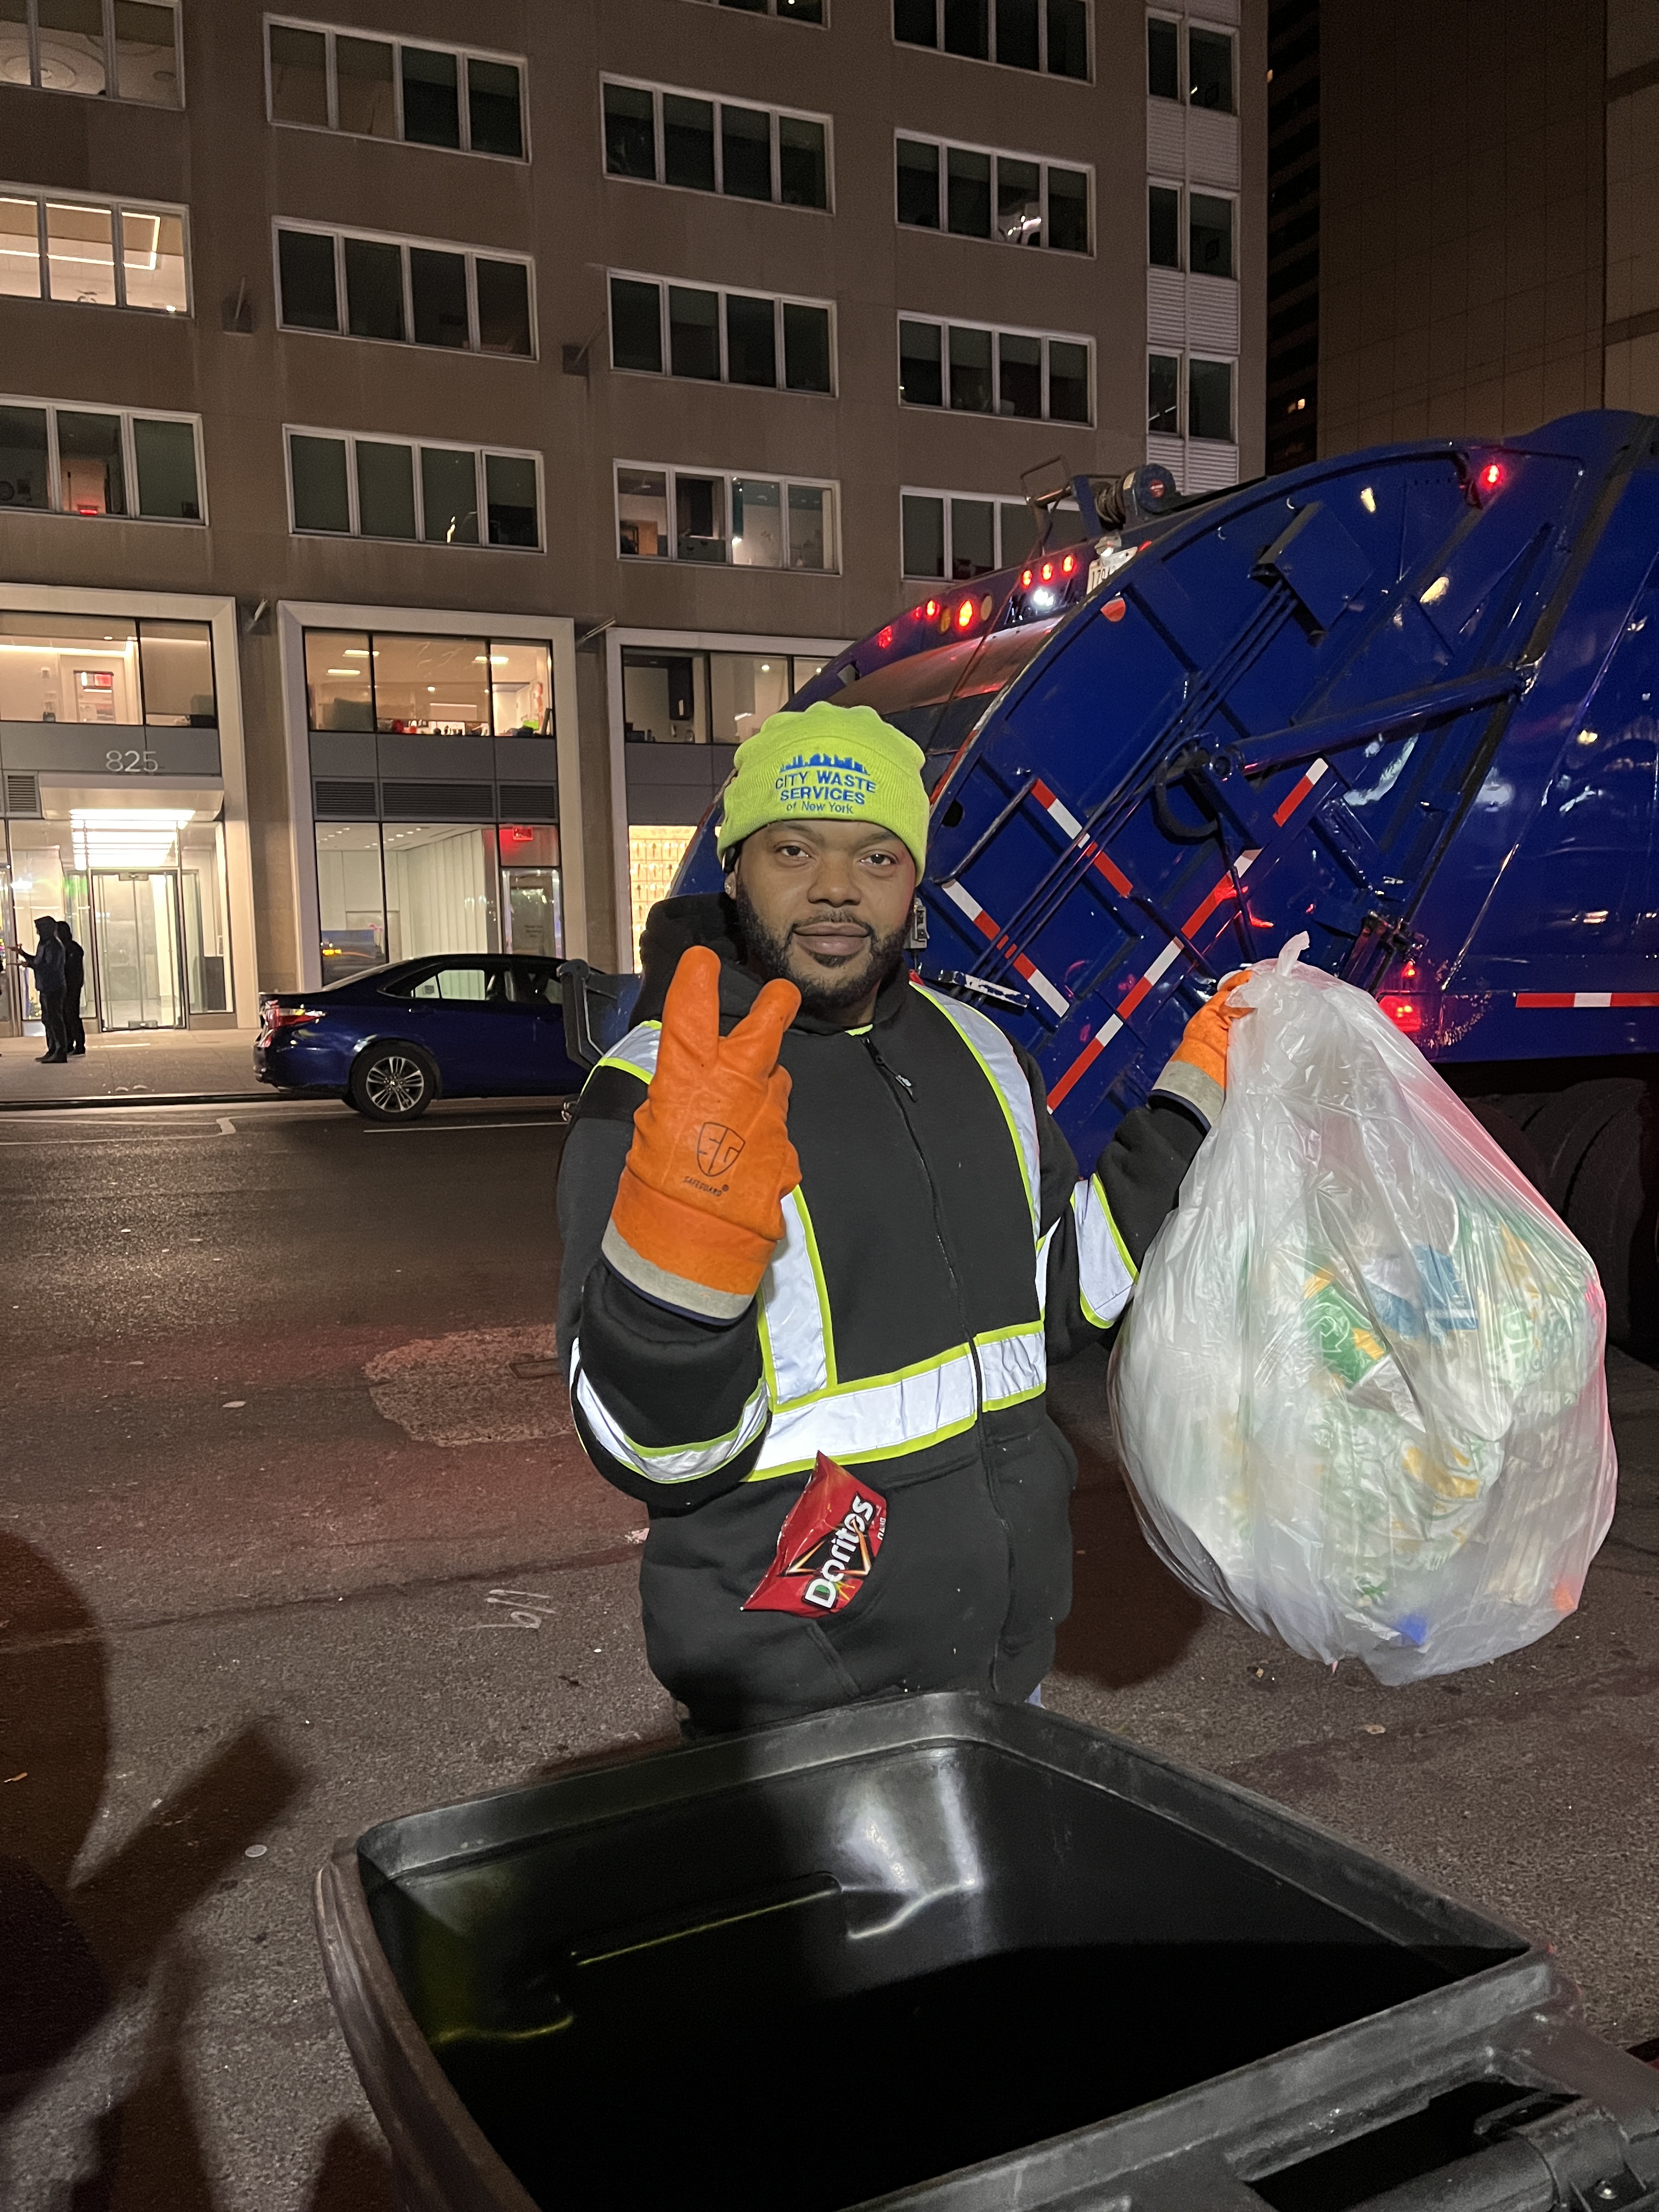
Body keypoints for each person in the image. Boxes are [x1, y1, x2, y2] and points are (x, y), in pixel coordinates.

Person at [556, 702, 1248, 1736]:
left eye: (876, 856)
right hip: (793, 1695)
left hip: (1004, 1661)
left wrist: (1190, 1103)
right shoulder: (657, 1091)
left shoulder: (981, 1052)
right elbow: (653, 1456)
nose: (836, 887)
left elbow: (1058, 1293)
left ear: (913, 880)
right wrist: (676, 1269)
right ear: (735, 869)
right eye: (794, 849)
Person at [9, 916, 70, 1063]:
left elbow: (49, 967)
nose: (37, 932)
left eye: (39, 929)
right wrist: (24, 955)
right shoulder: (45, 944)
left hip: (54, 987)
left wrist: (31, 964)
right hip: (46, 986)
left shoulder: (54, 946)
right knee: (48, 1020)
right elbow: (38, 961)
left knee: (55, 1020)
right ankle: (53, 1049)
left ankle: (60, 1051)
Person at [55, 918, 86, 1056]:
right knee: (67, 1015)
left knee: (72, 1015)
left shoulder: (71, 948)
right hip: (70, 986)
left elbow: (73, 970)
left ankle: (79, 1044)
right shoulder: (67, 947)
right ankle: (70, 1043)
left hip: (72, 987)